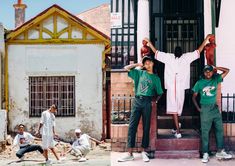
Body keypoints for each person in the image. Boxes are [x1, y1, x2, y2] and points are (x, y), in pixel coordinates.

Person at [144, 34, 213, 138]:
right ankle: (178, 130)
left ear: (181, 52)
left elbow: (198, 51)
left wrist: (206, 39)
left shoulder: (186, 57)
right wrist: (149, 42)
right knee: (174, 108)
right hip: (171, 87)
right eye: (176, 50)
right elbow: (156, 52)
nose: (178, 52)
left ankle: (176, 126)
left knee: (178, 109)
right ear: (174, 52)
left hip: (181, 87)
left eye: (179, 50)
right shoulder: (168, 57)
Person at [118, 56, 163, 162]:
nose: (147, 64)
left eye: (149, 62)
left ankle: (144, 151)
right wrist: (138, 64)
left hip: (147, 102)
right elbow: (126, 68)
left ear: (153, 63)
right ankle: (129, 153)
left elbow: (160, 93)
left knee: (146, 127)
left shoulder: (156, 78)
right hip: (137, 101)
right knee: (132, 126)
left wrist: (154, 101)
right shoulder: (139, 73)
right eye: (145, 63)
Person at [192, 65, 232, 163]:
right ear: (203, 73)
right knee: (205, 132)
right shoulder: (199, 83)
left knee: (219, 129)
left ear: (212, 72)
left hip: (214, 108)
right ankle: (205, 153)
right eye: (206, 72)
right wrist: (198, 108)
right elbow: (194, 97)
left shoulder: (216, 79)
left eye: (209, 71)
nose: (208, 73)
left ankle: (220, 151)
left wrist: (216, 67)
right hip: (205, 108)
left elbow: (227, 71)